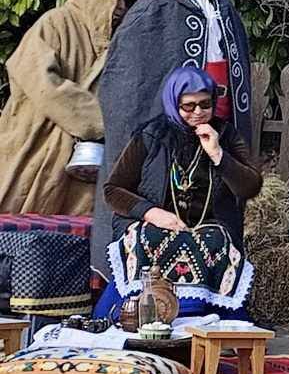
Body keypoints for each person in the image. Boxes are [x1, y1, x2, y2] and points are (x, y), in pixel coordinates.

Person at [96, 0, 256, 281]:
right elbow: (126, 82)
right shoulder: (153, 8)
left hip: (219, 120)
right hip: (173, 131)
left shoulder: (220, 2)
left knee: (218, 203)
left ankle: (217, 287)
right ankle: (155, 291)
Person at [99, 67, 262, 320]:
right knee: (150, 237)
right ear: (174, 104)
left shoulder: (225, 135)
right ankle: (141, 312)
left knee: (212, 241)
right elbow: (113, 190)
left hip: (210, 223)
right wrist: (151, 212)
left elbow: (250, 187)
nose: (198, 112)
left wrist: (218, 154)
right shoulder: (151, 135)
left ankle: (196, 314)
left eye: (205, 104)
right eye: (189, 106)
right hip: (156, 222)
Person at [0, 0, 138, 216]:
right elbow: (42, 81)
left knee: (75, 226)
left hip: (84, 163)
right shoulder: (55, 23)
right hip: (37, 143)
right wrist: (103, 120)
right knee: (18, 219)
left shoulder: (119, 44)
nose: (123, 7)